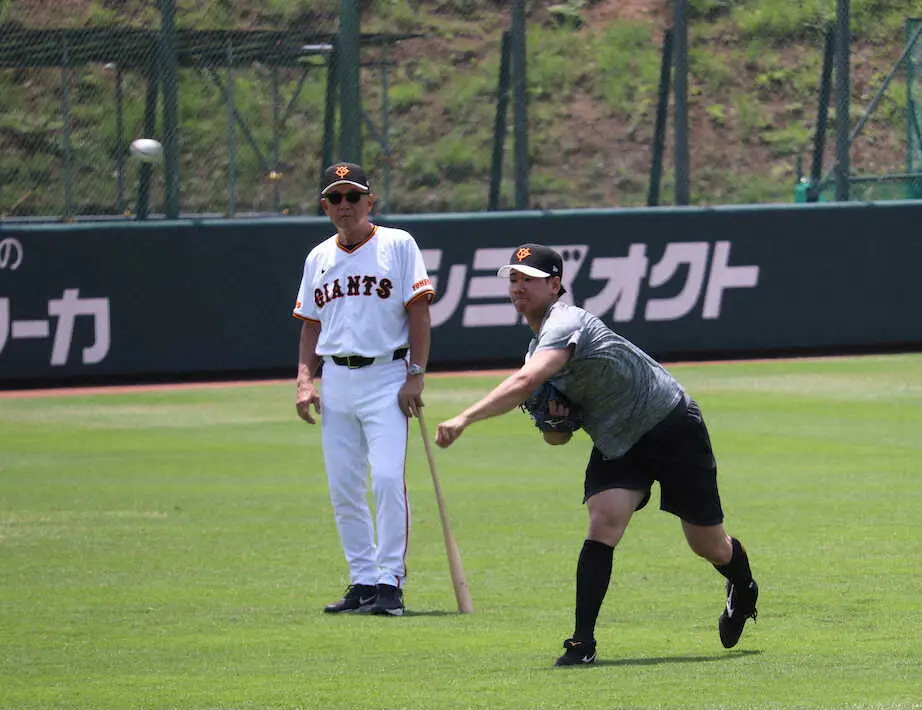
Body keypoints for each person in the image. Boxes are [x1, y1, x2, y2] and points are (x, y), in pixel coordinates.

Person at [435, 243, 758, 666]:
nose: (518, 287)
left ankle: (743, 586)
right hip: (619, 443)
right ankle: (582, 642)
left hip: (669, 423)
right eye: (513, 279)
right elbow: (556, 440)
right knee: (603, 521)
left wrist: (464, 419)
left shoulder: (566, 322)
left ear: (554, 285)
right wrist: (556, 423)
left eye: (528, 279)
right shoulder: (534, 350)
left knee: (708, 545)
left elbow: (527, 379)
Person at [294, 162, 435, 615]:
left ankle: (389, 582)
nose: (344, 205)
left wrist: (416, 373)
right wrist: (304, 380)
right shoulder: (318, 257)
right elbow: (311, 325)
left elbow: (418, 312)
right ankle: (362, 581)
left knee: (389, 479)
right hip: (336, 379)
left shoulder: (397, 244)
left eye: (352, 196)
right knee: (344, 487)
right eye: (335, 198)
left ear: (369, 201)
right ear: (325, 205)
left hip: (386, 377)